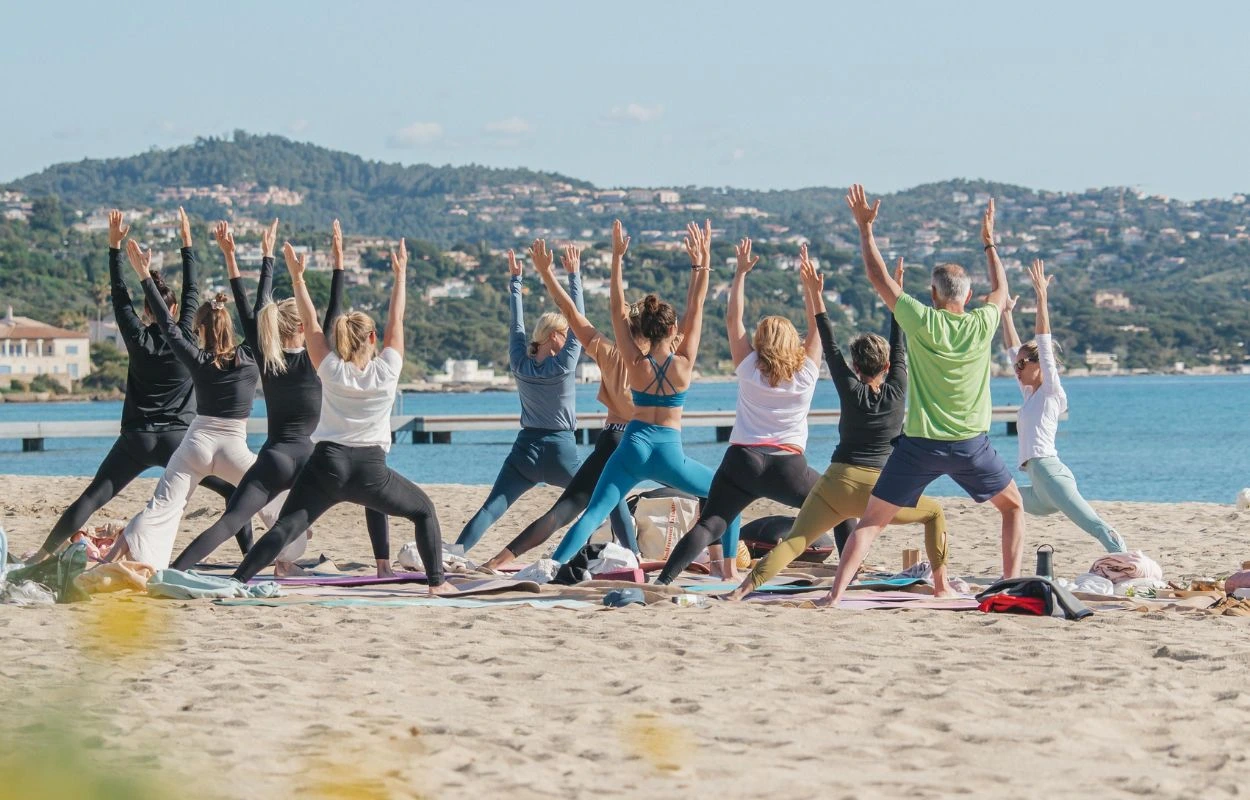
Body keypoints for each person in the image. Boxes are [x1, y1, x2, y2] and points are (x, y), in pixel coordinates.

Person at [818, 185, 1024, 606]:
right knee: (1013, 508)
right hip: (971, 445)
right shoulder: (983, 321)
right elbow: (1001, 293)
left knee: (872, 522)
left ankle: (834, 597)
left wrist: (865, 230)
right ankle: (1010, 585)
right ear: (967, 296)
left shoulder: (922, 319)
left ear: (933, 294)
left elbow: (878, 278)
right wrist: (989, 242)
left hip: (920, 446)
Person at [723, 247, 950, 600]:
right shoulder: (898, 386)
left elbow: (827, 341)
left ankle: (740, 592)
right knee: (934, 513)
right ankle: (942, 586)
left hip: (837, 483)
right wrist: (897, 297)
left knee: (797, 540)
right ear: (888, 367)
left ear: (855, 369)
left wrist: (815, 293)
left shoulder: (848, 387)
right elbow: (899, 342)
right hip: (883, 490)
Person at [24, 209, 247, 566]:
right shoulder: (186, 335)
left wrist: (114, 249)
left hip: (136, 439)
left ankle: (40, 555)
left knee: (93, 497)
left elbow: (118, 295)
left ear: (146, 310)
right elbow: (193, 288)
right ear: (171, 308)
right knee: (235, 492)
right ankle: (250, 558)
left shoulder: (137, 336)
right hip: (179, 440)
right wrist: (186, 241)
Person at [229, 238, 452, 595]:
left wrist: (298, 278)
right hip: (370, 471)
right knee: (423, 510)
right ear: (373, 337)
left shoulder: (329, 367)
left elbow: (310, 320)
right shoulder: (388, 368)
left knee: (284, 528)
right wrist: (400, 275)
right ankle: (437, 586)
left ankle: (237, 581)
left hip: (326, 467)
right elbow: (397, 317)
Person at [170, 220, 392, 575]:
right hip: (313, 462)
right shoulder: (321, 358)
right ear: (304, 328)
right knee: (373, 490)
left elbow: (247, 306)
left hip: (274, 458)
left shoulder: (264, 353)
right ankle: (383, 566)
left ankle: (176, 571)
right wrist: (337, 257)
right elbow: (334, 308)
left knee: (231, 520)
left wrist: (238, 256)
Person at [549, 220, 740, 573]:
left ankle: (553, 565)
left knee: (593, 513)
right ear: (672, 330)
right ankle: (726, 571)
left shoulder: (635, 362)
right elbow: (696, 305)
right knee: (727, 495)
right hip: (669, 452)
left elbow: (617, 309)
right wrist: (702, 263)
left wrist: (617, 258)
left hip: (632, 445)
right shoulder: (684, 364)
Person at [654, 238, 825, 584]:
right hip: (788, 467)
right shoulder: (806, 373)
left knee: (710, 524)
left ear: (760, 343)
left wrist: (740, 273)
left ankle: (663, 581)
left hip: (743, 462)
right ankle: (844, 582)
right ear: (794, 342)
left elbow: (733, 317)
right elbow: (818, 325)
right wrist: (811, 289)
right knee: (836, 508)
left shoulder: (749, 366)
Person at [478, 228, 641, 571]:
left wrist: (528, 278)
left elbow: (554, 317)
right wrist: (699, 269)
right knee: (611, 504)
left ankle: (503, 559)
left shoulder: (603, 354)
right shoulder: (664, 361)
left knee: (571, 509)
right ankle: (643, 556)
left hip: (588, 439)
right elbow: (693, 313)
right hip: (638, 440)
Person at [108, 214, 265, 569]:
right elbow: (251, 306)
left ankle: (133, 553)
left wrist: (145, 275)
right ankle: (283, 554)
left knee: (162, 507)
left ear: (199, 327)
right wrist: (233, 255)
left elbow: (166, 322)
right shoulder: (249, 355)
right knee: (265, 494)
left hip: (193, 445)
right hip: (232, 448)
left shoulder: (195, 356)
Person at [454, 239, 586, 552]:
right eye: (565, 335)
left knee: (491, 508)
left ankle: (456, 553)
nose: (569, 338)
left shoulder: (519, 361)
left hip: (525, 450)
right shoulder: (565, 363)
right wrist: (574, 276)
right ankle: (630, 552)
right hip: (560, 450)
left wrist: (516, 281)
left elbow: (516, 324)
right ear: (556, 337)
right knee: (603, 497)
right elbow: (579, 319)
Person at [1001, 258, 1125, 553]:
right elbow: (1011, 349)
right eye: (1015, 365)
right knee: (1000, 496)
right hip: (1039, 486)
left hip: (1051, 474)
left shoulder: (1050, 391)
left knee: (1097, 527)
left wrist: (1041, 296)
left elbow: (1043, 341)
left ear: (1039, 365)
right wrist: (1006, 314)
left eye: (1022, 364)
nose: (1016, 368)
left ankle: (1128, 563)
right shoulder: (1031, 394)